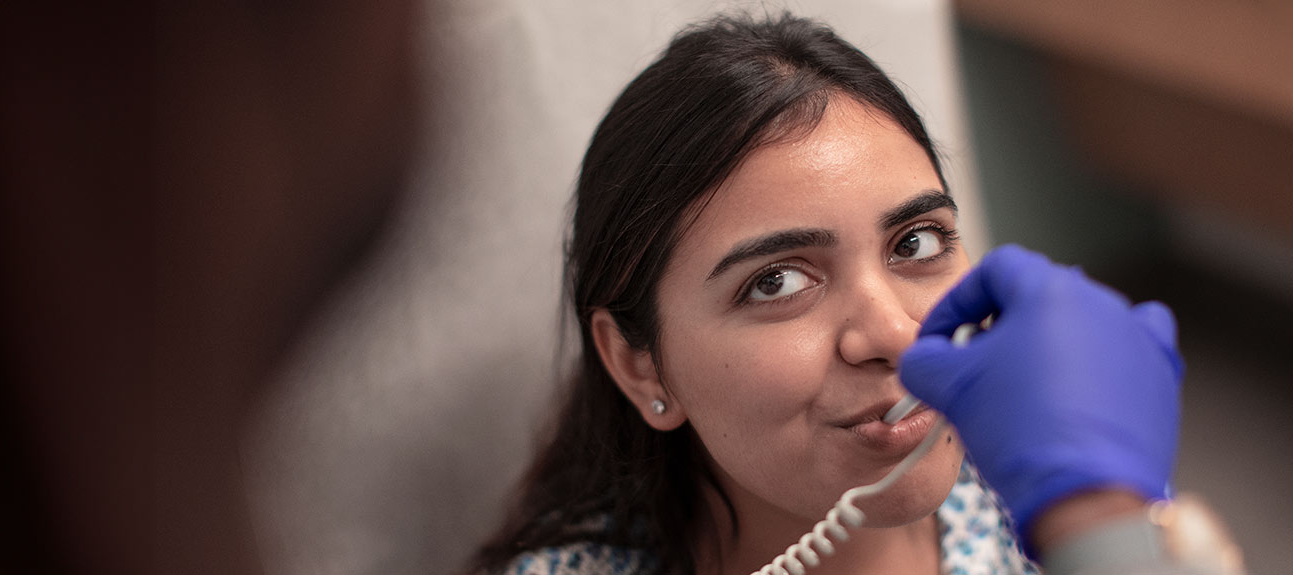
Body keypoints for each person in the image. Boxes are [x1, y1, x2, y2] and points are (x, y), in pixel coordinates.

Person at [473, 13, 1200, 575]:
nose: (893, 333)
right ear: (641, 365)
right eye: (777, 281)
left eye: (914, 242)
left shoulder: (1037, 478)